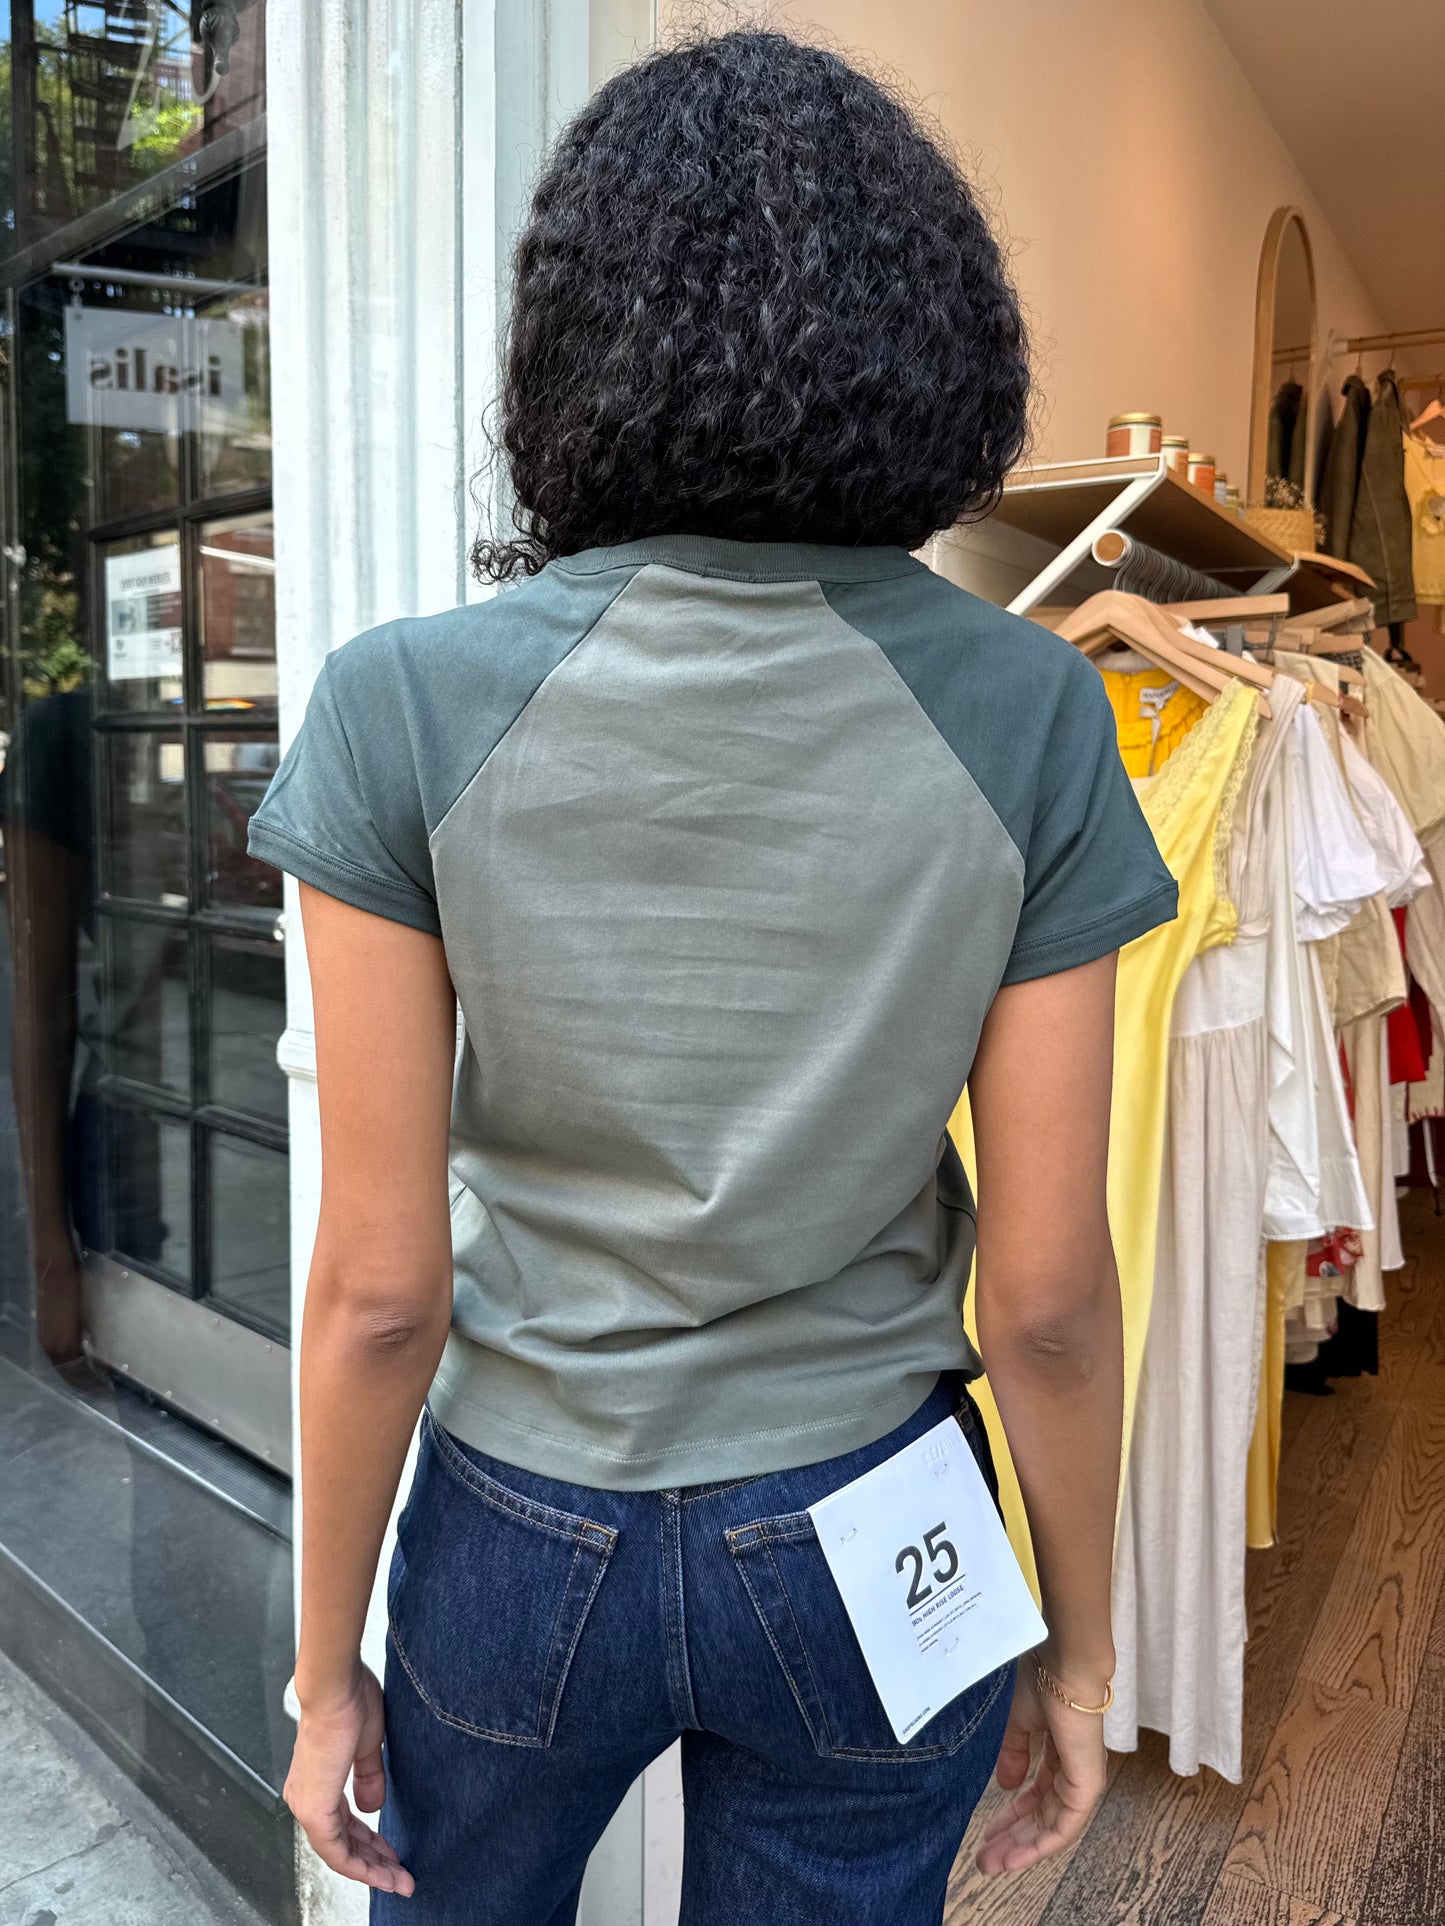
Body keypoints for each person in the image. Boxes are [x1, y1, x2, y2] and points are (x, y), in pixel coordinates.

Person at [250, 29, 1177, 1925]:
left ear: (569, 348)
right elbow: (1053, 1294)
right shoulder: (1026, 710)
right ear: (933, 341)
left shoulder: (401, 705)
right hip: (880, 1508)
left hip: (516, 1520)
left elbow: (373, 1287)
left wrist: (324, 1660)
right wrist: (1077, 1662)